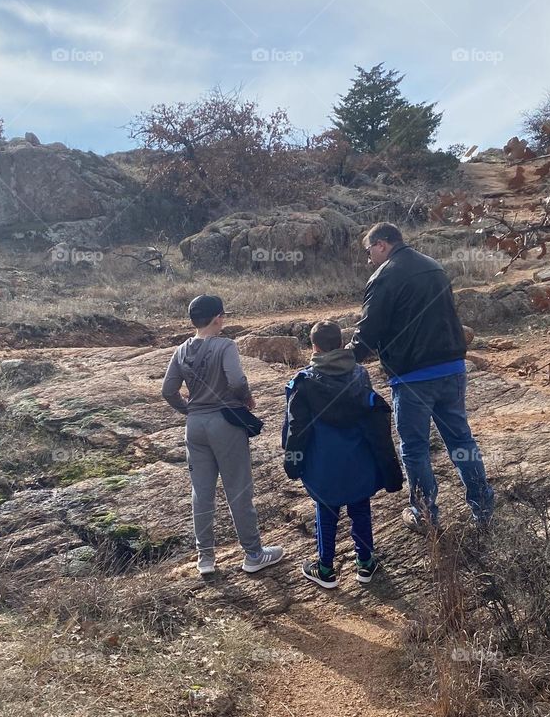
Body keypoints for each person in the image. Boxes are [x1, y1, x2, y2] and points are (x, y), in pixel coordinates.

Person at [349, 222, 494, 531]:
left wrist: (342, 360)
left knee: (415, 448)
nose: (368, 259)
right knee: (461, 440)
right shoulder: (433, 267)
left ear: (382, 245)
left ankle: (424, 513)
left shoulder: (384, 276)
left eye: (368, 251)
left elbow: (368, 331)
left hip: (413, 376)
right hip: (452, 367)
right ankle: (483, 508)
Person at [162, 293, 284, 577]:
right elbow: (237, 380)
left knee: (201, 492)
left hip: (195, 425)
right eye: (223, 315)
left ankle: (205, 558)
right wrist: (247, 399)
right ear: (218, 317)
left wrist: (190, 411)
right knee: (238, 489)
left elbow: (168, 391)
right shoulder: (225, 345)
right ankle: (253, 554)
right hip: (225, 422)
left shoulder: (180, 350)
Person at [282, 319, 403, 588]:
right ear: (340, 343)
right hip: (359, 459)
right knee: (360, 508)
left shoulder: (303, 383)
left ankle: (325, 569)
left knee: (325, 513)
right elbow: (375, 423)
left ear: (313, 347)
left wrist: (293, 462)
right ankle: (365, 564)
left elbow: (296, 429)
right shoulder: (360, 375)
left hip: (323, 463)